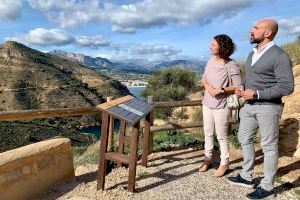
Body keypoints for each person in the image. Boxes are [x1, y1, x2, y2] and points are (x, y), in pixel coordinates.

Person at [227, 19, 294, 199]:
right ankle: (247, 176)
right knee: (244, 138)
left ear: (267, 33)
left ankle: (267, 187)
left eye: (256, 28)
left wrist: (256, 94)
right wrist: (242, 87)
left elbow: (287, 86)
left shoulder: (280, 56)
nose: (251, 30)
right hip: (249, 106)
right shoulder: (251, 54)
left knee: (269, 146)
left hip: (268, 107)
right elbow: (250, 79)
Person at [200, 34, 242, 177]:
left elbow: (238, 85)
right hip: (207, 104)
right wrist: (208, 88)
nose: (210, 46)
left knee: (222, 137)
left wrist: (221, 90)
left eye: (213, 44)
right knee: (208, 133)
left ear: (222, 47)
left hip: (222, 105)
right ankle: (208, 159)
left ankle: (224, 164)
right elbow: (204, 79)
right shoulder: (210, 61)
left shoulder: (231, 64)